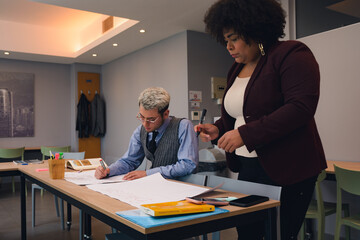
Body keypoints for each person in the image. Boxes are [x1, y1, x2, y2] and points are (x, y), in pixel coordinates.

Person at [196, 0, 327, 239]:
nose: (228, 46)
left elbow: (300, 108)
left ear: (254, 29)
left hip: (288, 168)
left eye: (233, 38)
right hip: (248, 168)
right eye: (225, 40)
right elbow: (241, 116)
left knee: (278, 234)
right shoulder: (236, 69)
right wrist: (217, 129)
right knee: (247, 234)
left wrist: (244, 135)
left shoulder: (292, 54)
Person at [95, 87, 198, 181]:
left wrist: (148, 173)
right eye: (142, 117)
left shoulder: (183, 126)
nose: (145, 123)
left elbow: (188, 164)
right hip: (154, 184)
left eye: (151, 119)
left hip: (182, 185)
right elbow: (129, 161)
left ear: (166, 114)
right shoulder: (140, 131)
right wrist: (108, 170)